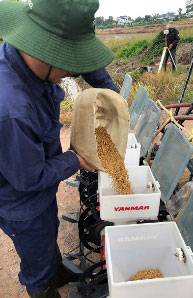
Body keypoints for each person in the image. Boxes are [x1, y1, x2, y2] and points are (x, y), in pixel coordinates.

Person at [0, 0, 118, 297]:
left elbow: (90, 70)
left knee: (48, 227)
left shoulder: (28, 59)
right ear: (46, 52)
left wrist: (115, 102)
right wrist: (76, 159)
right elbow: (28, 179)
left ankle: (56, 269)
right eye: (70, 62)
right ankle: (42, 286)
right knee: (36, 246)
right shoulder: (13, 109)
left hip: (35, 180)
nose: (73, 71)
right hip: (19, 199)